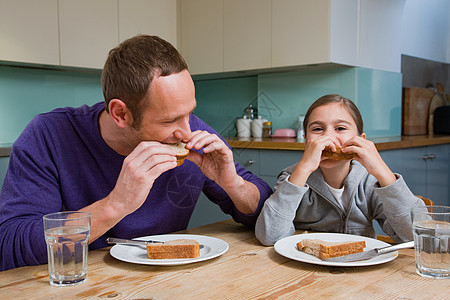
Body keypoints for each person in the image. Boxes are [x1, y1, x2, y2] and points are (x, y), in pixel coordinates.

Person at [0, 35, 272, 271]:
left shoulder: (192, 133)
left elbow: (267, 216)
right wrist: (115, 205)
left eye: (189, 112)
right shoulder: (49, 135)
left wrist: (232, 183)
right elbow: (10, 244)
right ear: (121, 113)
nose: (186, 131)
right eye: (169, 120)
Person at [255, 94, 424, 246]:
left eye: (340, 128)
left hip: (359, 266)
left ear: (360, 140)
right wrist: (303, 169)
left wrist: (382, 172)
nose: (328, 138)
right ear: (306, 141)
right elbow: (269, 236)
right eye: (317, 129)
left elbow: (418, 238)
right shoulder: (292, 178)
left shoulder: (370, 182)